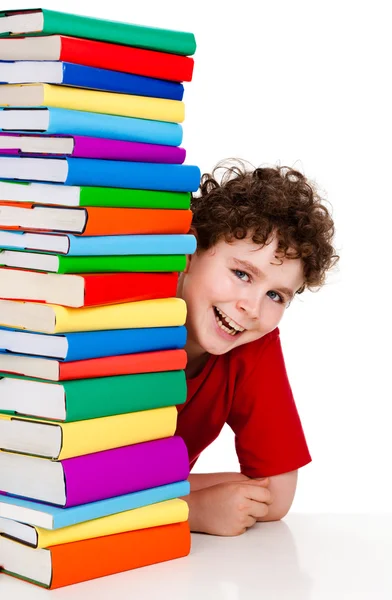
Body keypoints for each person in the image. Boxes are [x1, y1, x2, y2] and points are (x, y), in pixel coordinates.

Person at [175, 159, 339, 536]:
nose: (252, 307)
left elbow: (276, 494)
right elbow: (68, 483)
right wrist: (186, 508)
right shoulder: (122, 323)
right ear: (189, 251)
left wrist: (157, 496)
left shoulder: (253, 344)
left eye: (276, 295)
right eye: (242, 274)